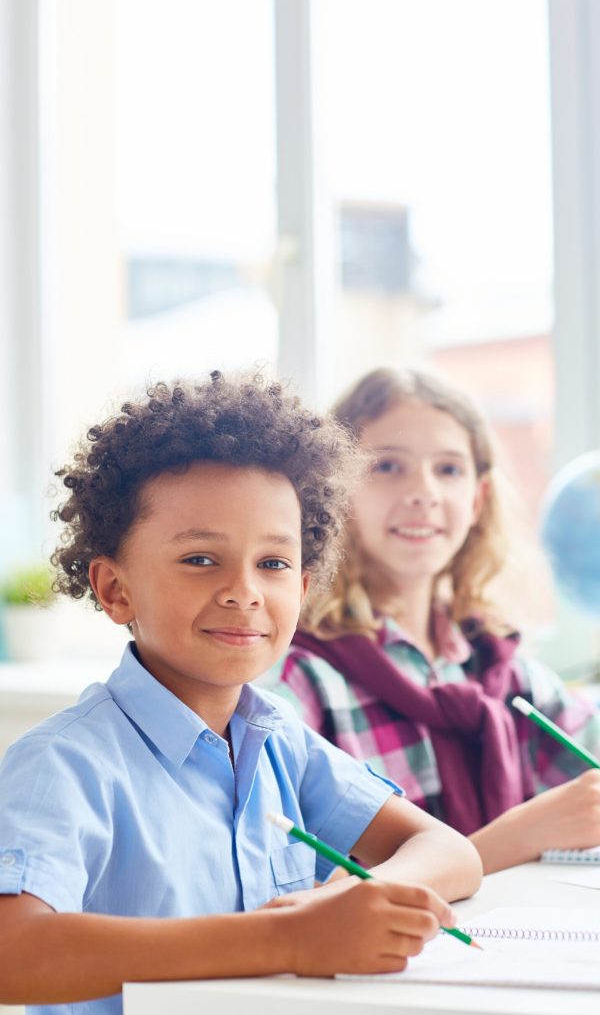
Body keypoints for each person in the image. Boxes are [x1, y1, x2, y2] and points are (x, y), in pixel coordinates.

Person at [0, 371, 481, 1014]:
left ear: (302, 589)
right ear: (115, 590)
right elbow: (13, 953)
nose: (244, 591)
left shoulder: (277, 738)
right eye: (201, 559)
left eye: (273, 564)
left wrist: (343, 905)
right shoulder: (62, 764)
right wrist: (284, 940)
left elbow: (450, 851)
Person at [272, 366, 600, 876]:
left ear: (477, 499)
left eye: (448, 470)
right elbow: (305, 895)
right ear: (333, 494)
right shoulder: (302, 680)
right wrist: (517, 837)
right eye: (386, 467)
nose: (423, 492)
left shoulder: (502, 669)